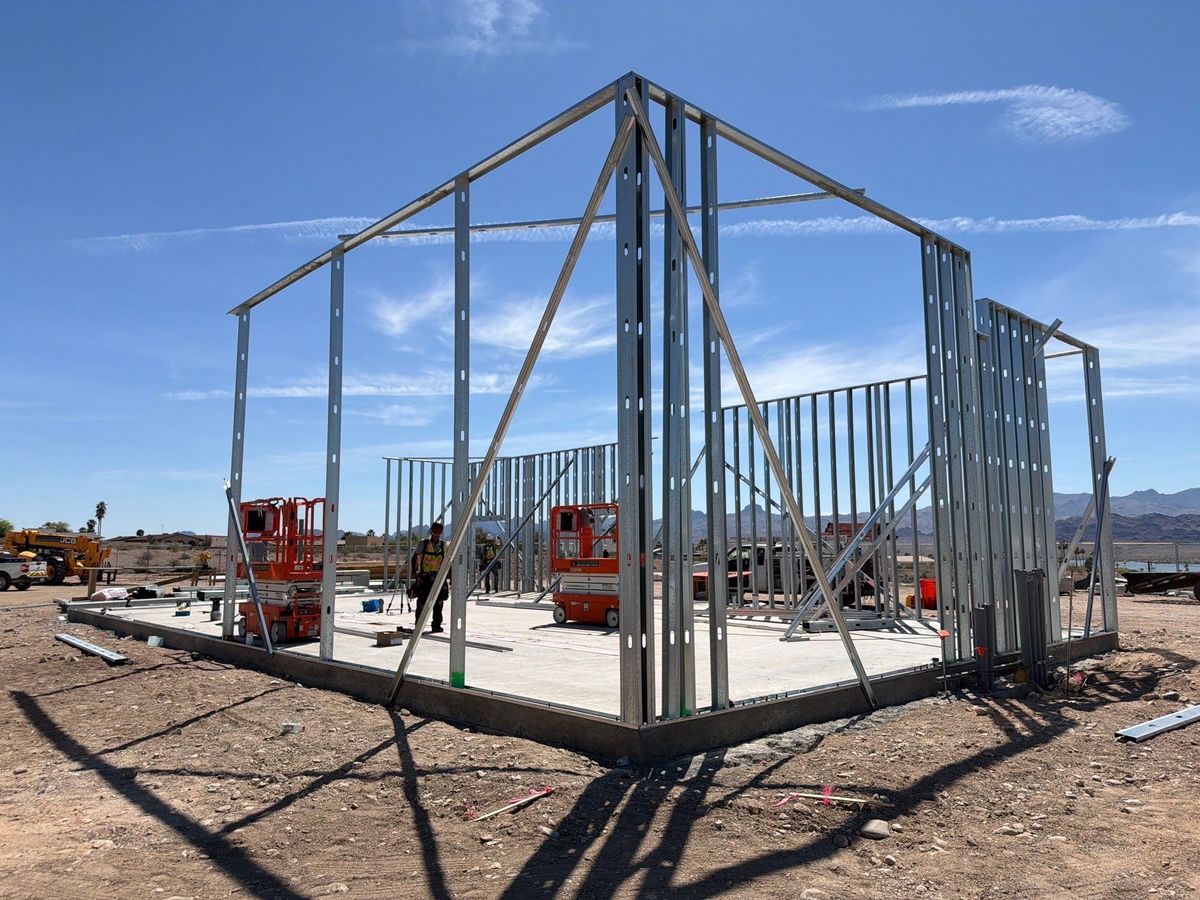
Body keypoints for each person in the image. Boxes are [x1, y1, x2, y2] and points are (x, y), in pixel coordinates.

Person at [411, 523, 448, 633]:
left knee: (439, 603)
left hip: (438, 578)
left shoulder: (443, 545)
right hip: (425, 578)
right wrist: (415, 572)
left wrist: (448, 576)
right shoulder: (424, 543)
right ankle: (419, 625)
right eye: (435, 532)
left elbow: (447, 561)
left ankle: (436, 625)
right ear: (432, 531)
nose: (437, 534)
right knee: (422, 602)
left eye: (439, 532)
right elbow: (415, 557)